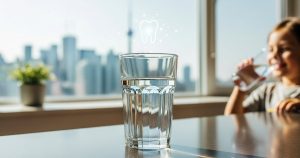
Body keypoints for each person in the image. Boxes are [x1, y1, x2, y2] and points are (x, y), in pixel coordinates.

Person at [225, 17, 300, 115]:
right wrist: (241, 87)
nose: (274, 55)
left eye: (284, 49)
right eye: (271, 50)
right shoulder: (267, 92)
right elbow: (232, 116)